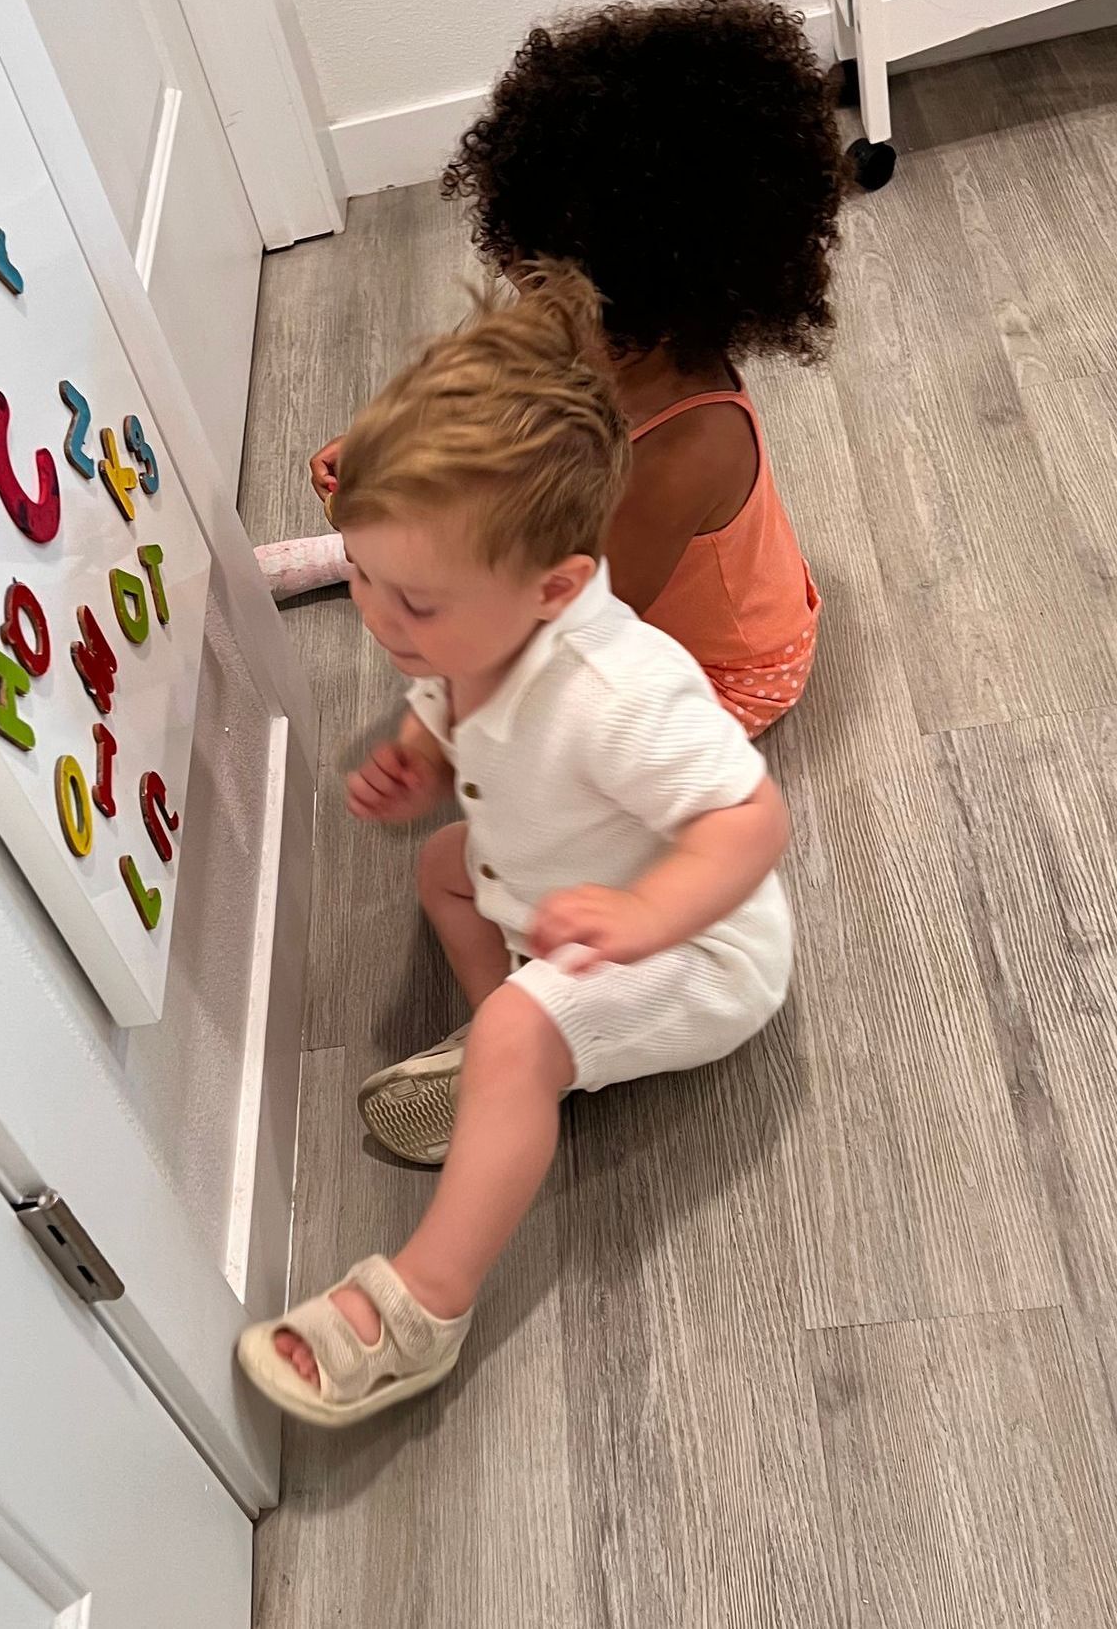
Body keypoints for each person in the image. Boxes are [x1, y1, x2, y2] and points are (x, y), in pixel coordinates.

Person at [236, 269, 791, 1425]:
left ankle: (424, 1309)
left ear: (557, 588)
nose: (379, 619)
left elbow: (751, 821)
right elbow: (451, 707)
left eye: (415, 602)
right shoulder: (476, 627)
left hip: (700, 948)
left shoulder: (618, 688)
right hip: (570, 894)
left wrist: (646, 916)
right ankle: (524, 1057)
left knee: (519, 1028)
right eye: (361, 576)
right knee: (442, 871)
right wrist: (420, 760)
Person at [255, 0, 842, 738]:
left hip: (717, 672)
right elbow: (498, 393)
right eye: (520, 275)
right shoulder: (611, 334)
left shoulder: (683, 453)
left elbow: (580, 624)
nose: (521, 298)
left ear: (646, 304)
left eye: (540, 287)